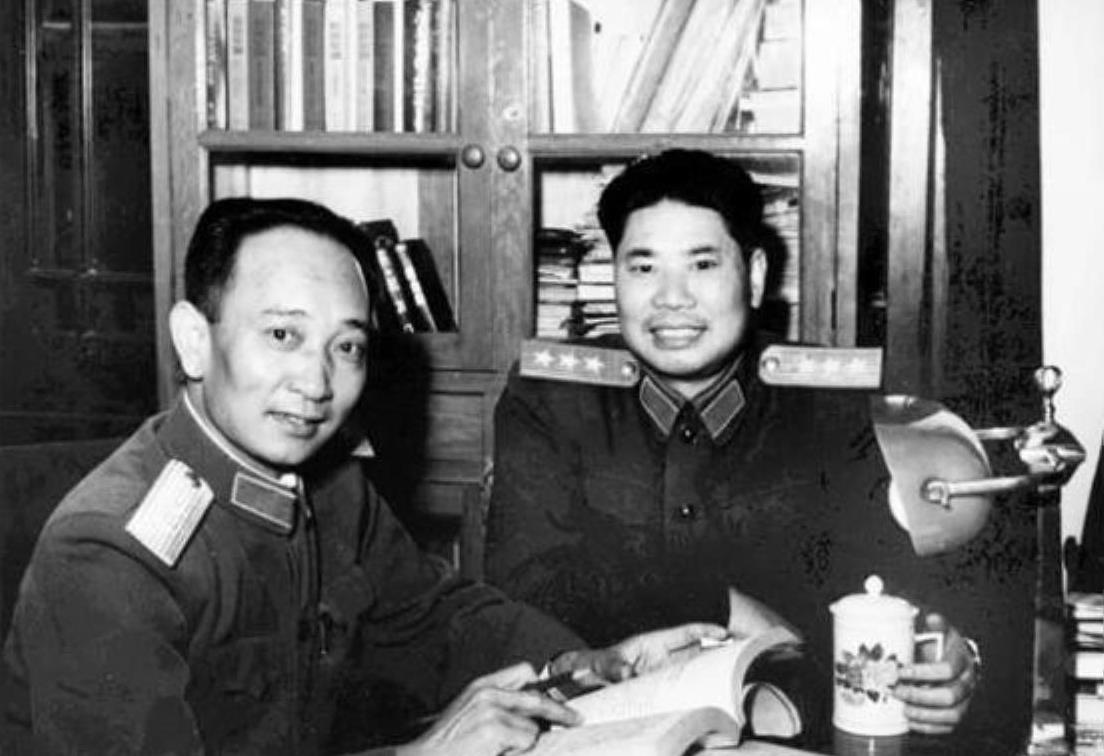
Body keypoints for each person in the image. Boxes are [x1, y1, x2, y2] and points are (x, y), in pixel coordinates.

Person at [0, 197, 728, 755]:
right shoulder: (108, 553)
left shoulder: (330, 486)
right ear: (194, 340)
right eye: (282, 335)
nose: (316, 383)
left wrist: (589, 666)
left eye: (346, 346)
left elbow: (439, 621)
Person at [485, 150, 1035, 750]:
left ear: (753, 276)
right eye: (642, 268)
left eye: (702, 264)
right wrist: (717, 604)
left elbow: (918, 588)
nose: (671, 297)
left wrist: (956, 658)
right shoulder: (553, 398)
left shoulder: (833, 406)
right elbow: (526, 581)